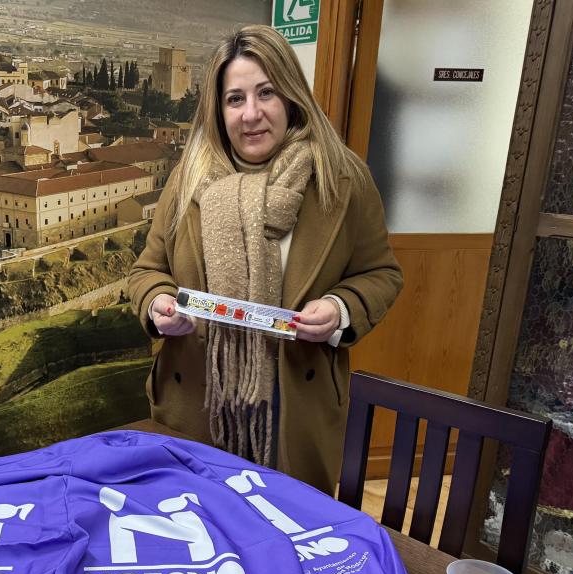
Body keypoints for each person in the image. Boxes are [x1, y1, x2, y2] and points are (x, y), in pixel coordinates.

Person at [126, 25, 403, 494]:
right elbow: (147, 270)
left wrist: (340, 309)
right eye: (235, 99)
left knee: (285, 539)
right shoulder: (189, 177)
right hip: (198, 403)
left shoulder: (342, 178)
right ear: (219, 108)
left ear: (292, 96)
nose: (250, 114)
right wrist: (158, 303)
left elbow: (382, 273)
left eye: (266, 93)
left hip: (295, 407)